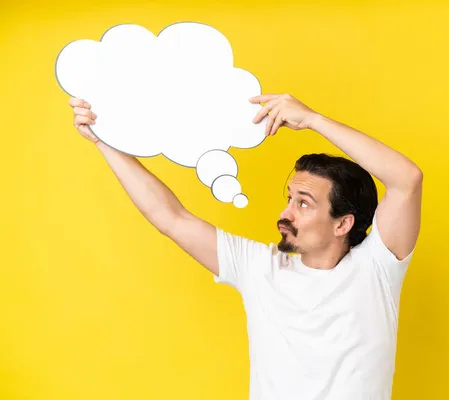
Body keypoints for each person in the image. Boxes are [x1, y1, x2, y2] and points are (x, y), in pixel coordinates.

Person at [68, 93, 423, 400]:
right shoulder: (258, 267)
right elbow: (169, 216)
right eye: (289, 198)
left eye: (303, 203)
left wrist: (313, 120)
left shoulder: (377, 268)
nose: (285, 213)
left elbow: (407, 179)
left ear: (343, 223)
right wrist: (103, 141)